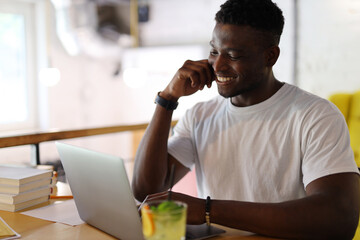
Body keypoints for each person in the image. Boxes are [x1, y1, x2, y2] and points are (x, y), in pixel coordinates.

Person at [131, 0, 360, 239]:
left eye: (233, 55)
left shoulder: (316, 116)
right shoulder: (200, 115)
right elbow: (146, 188)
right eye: (213, 51)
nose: (217, 65)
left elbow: (339, 218)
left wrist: (208, 210)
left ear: (270, 56)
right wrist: (167, 99)